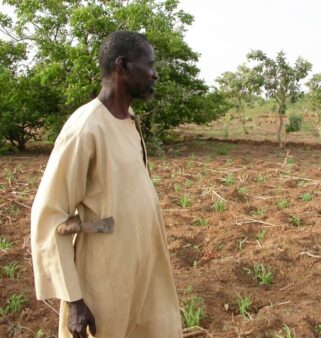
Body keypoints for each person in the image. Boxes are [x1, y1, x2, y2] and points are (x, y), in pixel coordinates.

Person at [31, 31, 182, 338]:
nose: (155, 74)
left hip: (146, 272)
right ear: (122, 66)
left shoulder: (128, 121)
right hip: (105, 280)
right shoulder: (86, 128)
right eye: (149, 65)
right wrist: (73, 300)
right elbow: (50, 215)